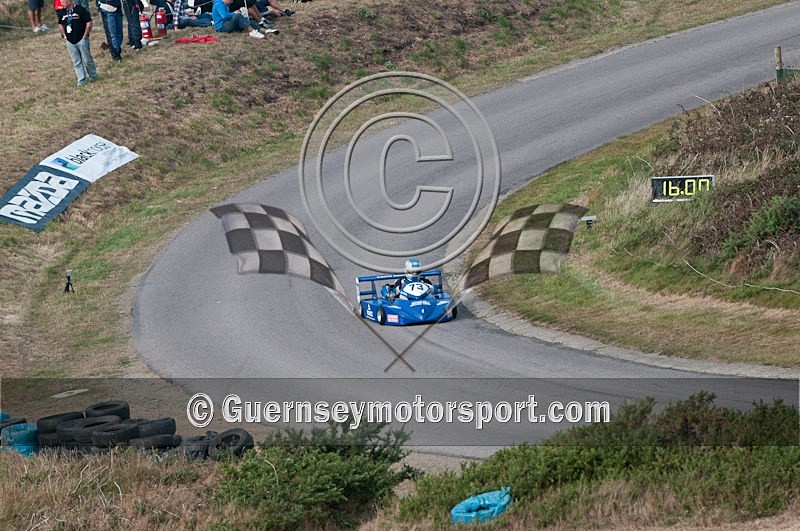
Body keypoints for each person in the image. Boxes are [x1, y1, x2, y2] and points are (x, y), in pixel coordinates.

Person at [56, 0, 98, 86]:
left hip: (81, 40)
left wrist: (85, 35)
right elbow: (60, 23)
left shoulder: (80, 10)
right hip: (70, 41)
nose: (61, 4)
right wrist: (64, 35)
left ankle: (93, 75)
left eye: (63, 2)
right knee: (76, 62)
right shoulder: (62, 12)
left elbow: (89, 22)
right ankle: (81, 79)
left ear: (69, 1)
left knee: (87, 59)